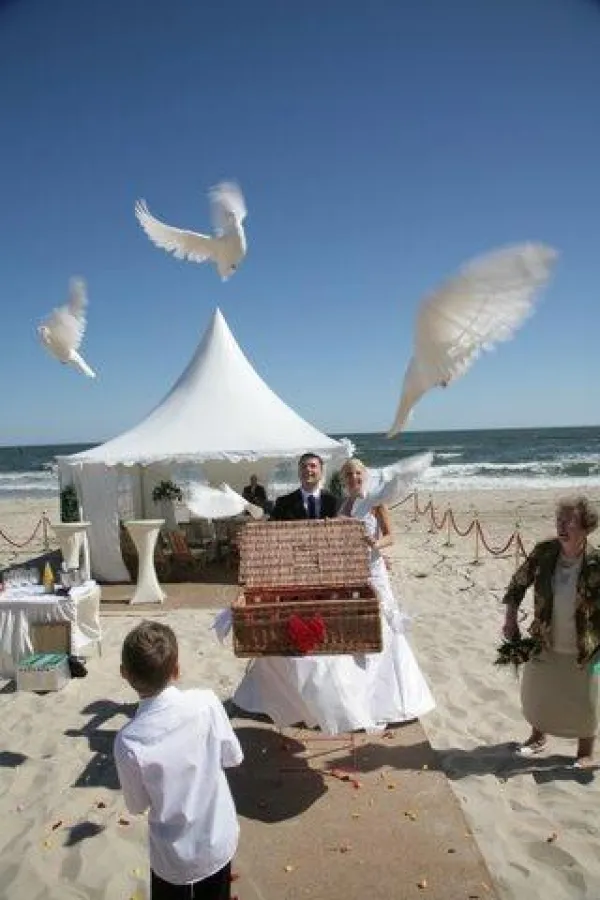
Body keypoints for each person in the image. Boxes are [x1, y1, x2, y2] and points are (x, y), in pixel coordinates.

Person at [232, 457, 435, 733]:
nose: (354, 478)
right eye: (349, 474)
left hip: (365, 572)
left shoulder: (361, 500)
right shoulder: (339, 505)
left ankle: (380, 699)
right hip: (327, 576)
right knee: (340, 636)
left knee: (378, 632)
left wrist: (377, 548)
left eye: (357, 473)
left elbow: (388, 536)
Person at [114, 621, 243, 899]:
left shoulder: (128, 741)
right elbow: (233, 757)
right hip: (216, 836)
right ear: (176, 670)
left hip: (172, 855)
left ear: (124, 674)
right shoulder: (207, 702)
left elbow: (137, 806)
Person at [502, 496, 600, 768]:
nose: (561, 525)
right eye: (559, 519)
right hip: (544, 638)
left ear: (586, 527)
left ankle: (585, 753)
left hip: (586, 645)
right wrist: (510, 618)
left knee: (586, 699)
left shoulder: (596, 561)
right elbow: (517, 584)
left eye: (568, 521)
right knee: (538, 692)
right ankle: (537, 738)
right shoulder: (544, 551)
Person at [270, 452, 338, 520]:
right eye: (304, 466)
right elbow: (271, 528)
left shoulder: (333, 502)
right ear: (299, 472)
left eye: (313, 466)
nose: (308, 469)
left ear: (321, 472)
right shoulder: (283, 503)